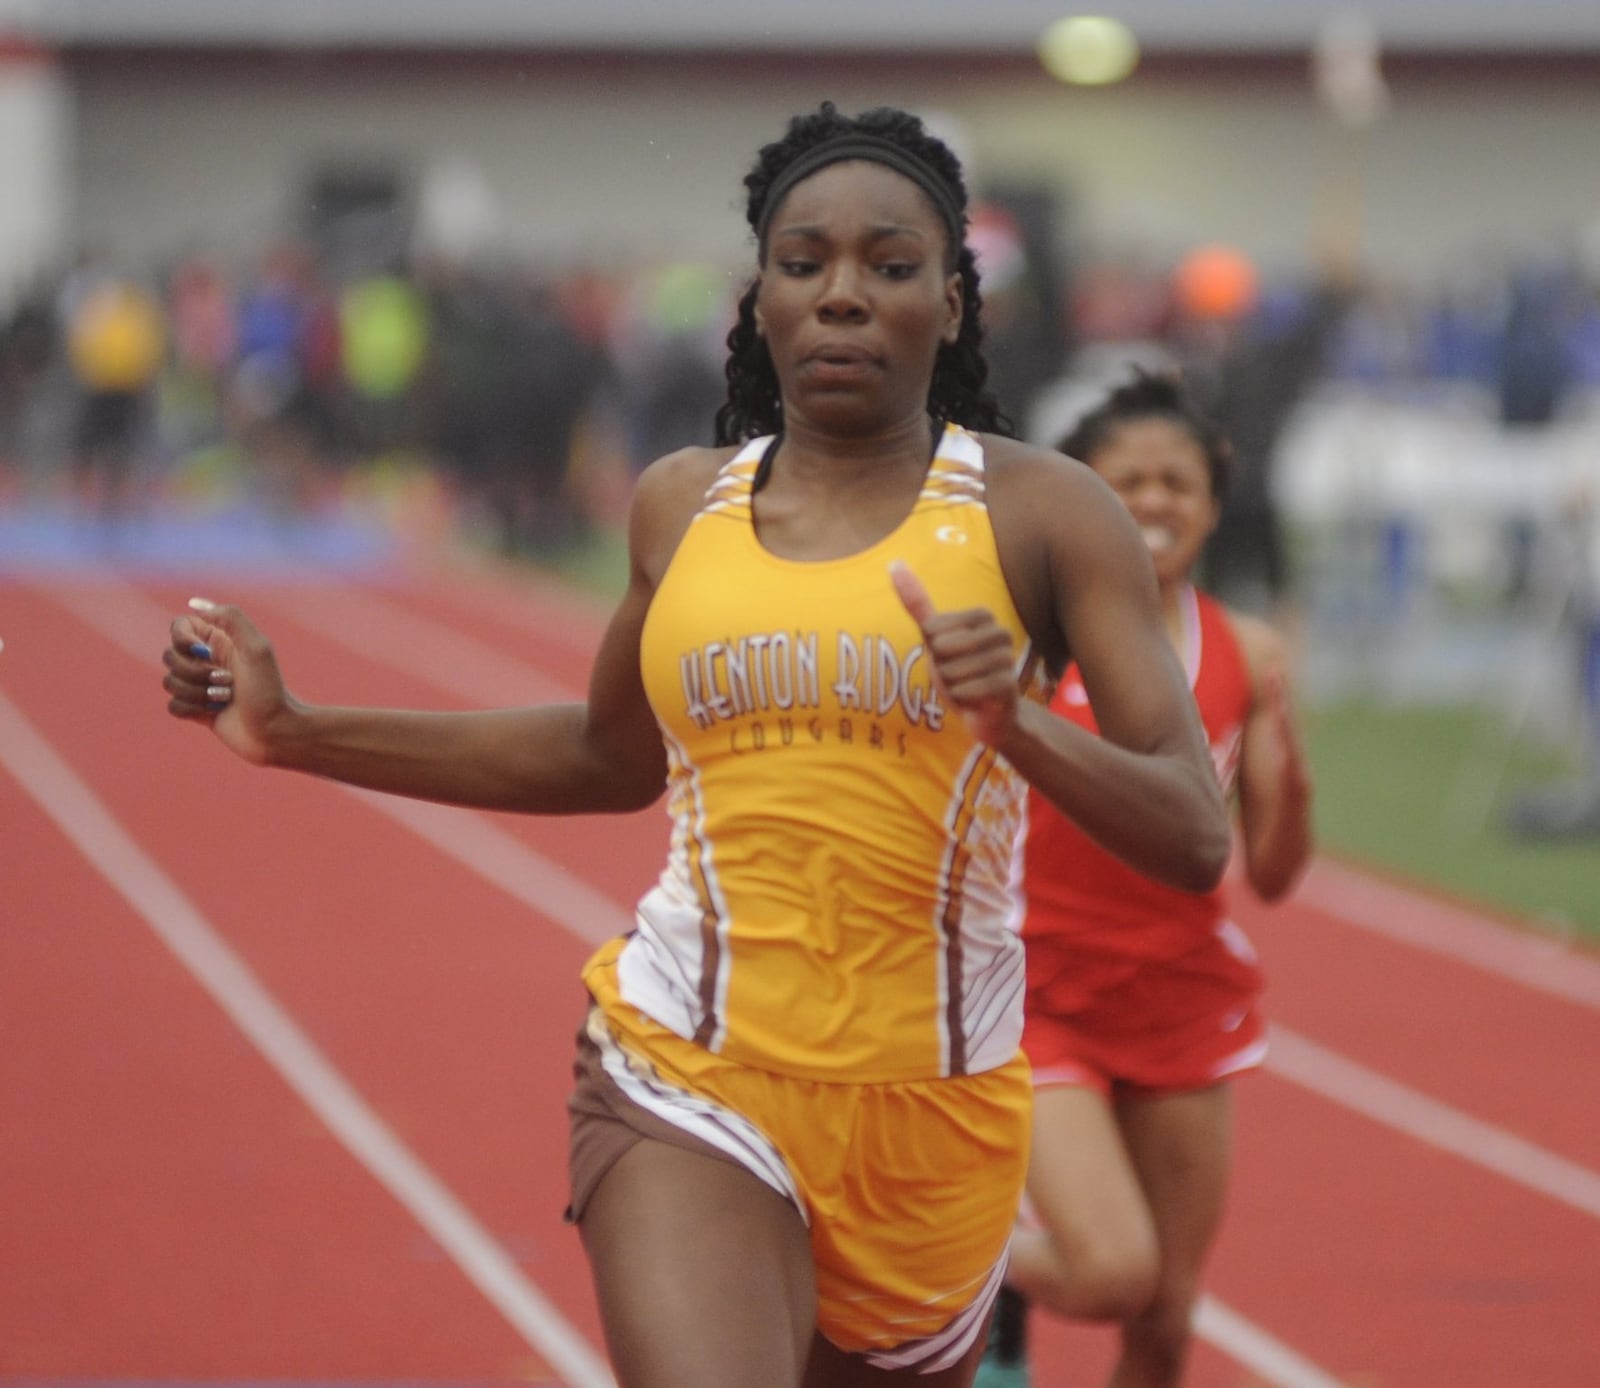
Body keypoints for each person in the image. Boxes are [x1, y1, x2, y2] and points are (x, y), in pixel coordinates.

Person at [161, 104, 1229, 1388]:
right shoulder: (682, 504)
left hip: (934, 1116)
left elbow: (1192, 831)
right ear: (759, 299)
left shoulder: (1045, 514)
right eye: (803, 264)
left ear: (950, 305)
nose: (841, 295)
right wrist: (295, 730)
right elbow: (603, 756)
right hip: (688, 1064)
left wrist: (1019, 730)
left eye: (889, 267)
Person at [977, 370, 1314, 1388]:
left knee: (1165, 1318)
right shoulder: (1030, 639)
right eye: (1127, 481)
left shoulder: (1246, 651)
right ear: (1084, 497)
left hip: (1177, 991)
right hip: (1039, 989)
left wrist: (1284, 747)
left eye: (1178, 481)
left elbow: (1274, 868)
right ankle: (962, 1268)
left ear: (1212, 505)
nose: (1156, 500)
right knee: (1113, 1267)